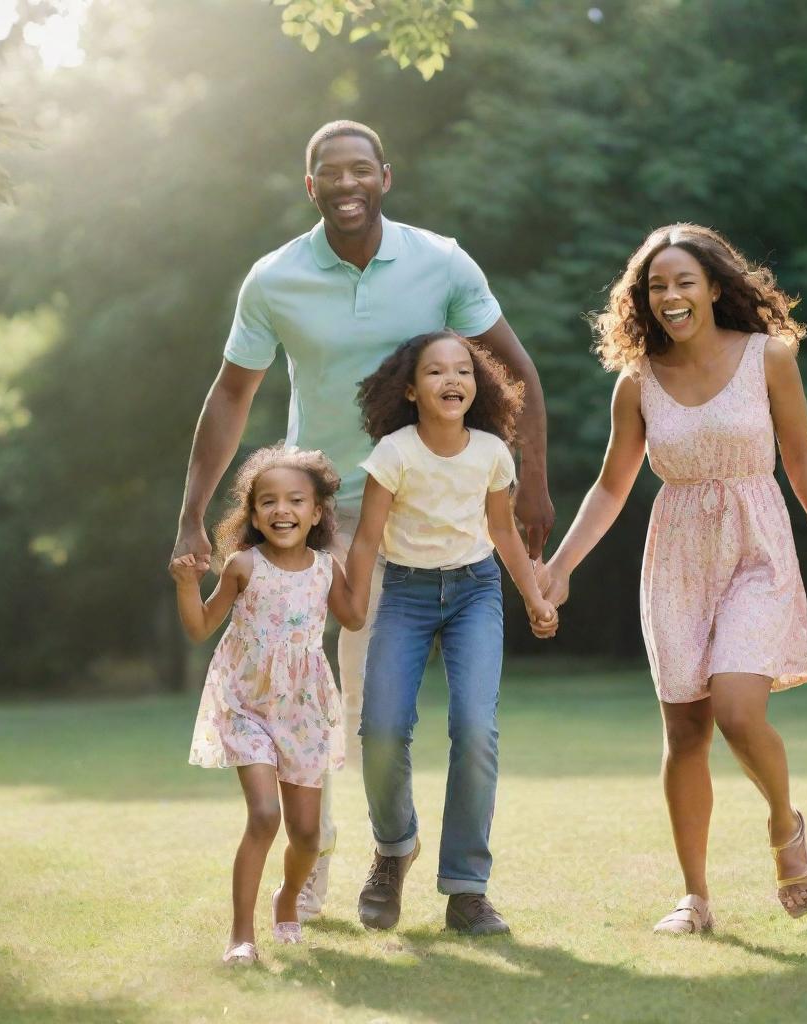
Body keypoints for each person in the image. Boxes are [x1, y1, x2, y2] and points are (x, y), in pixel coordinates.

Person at [170, 120, 554, 919]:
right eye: (328, 174)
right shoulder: (274, 279)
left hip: (433, 505)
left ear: (385, 176)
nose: (345, 185)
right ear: (309, 186)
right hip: (327, 512)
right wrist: (192, 514)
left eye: (359, 170)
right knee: (309, 691)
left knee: (401, 711)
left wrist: (532, 484)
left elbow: (515, 370)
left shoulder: (440, 260)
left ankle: (411, 861)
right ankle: (317, 856)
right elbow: (232, 394)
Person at [540, 224, 807, 934]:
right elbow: (612, 488)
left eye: (683, 281)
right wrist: (559, 567)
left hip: (757, 547)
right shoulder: (637, 384)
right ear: (641, 301)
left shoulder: (768, 358)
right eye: (656, 286)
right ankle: (696, 900)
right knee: (685, 732)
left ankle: (783, 823)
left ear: (715, 286)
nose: (670, 296)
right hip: (677, 555)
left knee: (740, 712)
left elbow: (799, 454)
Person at [344, 330, 558, 937]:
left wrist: (535, 597)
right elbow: (365, 537)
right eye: (435, 372)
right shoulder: (394, 453)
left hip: (474, 592)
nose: (451, 380)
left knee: (474, 726)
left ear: (477, 383)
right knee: (380, 728)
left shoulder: (491, 451)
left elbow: (505, 533)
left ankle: (467, 889)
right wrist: (355, 601)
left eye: (462, 370)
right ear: (411, 390)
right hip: (406, 594)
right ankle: (393, 849)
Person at [171, 445, 364, 964]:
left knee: (306, 834)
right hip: (245, 702)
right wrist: (187, 584)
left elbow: (354, 617)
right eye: (269, 502)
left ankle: (286, 898)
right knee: (263, 815)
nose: (283, 510)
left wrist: (364, 549)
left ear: (317, 512)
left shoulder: (327, 570)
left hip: (303, 709)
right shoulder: (243, 565)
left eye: (296, 500)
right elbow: (199, 627)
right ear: (253, 514)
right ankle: (241, 935)